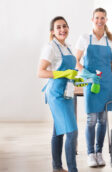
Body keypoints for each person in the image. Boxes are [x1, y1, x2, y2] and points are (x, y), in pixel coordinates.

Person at [75, 7, 112, 168]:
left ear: (106, 20)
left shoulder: (111, 41)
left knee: (103, 120)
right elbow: (75, 62)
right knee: (91, 120)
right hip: (91, 83)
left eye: (102, 18)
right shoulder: (84, 38)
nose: (100, 20)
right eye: (97, 18)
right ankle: (90, 153)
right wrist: (88, 75)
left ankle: (99, 152)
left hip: (106, 85)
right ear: (92, 19)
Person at [38, 16, 79, 172]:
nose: (62, 30)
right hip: (56, 94)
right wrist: (63, 74)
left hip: (67, 93)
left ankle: (57, 167)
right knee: (71, 132)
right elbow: (40, 72)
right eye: (58, 27)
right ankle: (73, 169)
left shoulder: (67, 46)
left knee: (59, 131)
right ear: (53, 32)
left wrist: (78, 77)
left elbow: (70, 71)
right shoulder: (51, 48)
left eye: (64, 26)